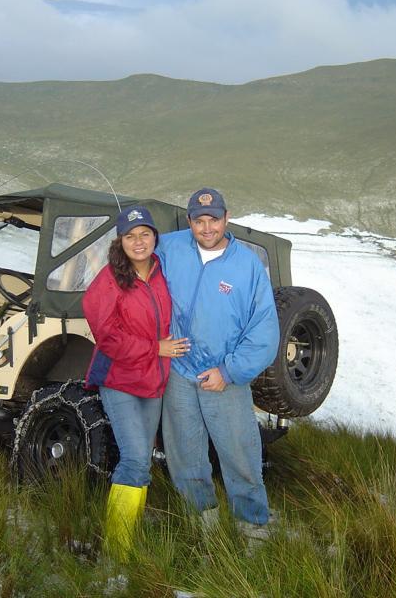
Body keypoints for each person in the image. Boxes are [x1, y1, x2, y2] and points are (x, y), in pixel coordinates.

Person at [156, 187, 279, 535]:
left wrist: (229, 371)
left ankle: (253, 525)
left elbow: (265, 331)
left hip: (223, 375)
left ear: (227, 218)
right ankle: (201, 521)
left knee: (239, 453)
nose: (207, 228)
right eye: (199, 220)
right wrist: (153, 341)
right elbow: (136, 282)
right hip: (179, 370)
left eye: (214, 219)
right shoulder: (170, 247)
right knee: (184, 452)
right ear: (189, 221)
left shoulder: (248, 266)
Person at [83, 205, 190, 560]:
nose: (138, 241)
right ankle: (117, 549)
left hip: (154, 383)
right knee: (134, 458)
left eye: (144, 234)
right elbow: (106, 335)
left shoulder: (162, 274)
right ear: (120, 241)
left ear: (155, 238)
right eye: (130, 236)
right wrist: (155, 347)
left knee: (142, 460)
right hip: (120, 381)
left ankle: (127, 536)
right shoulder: (110, 279)